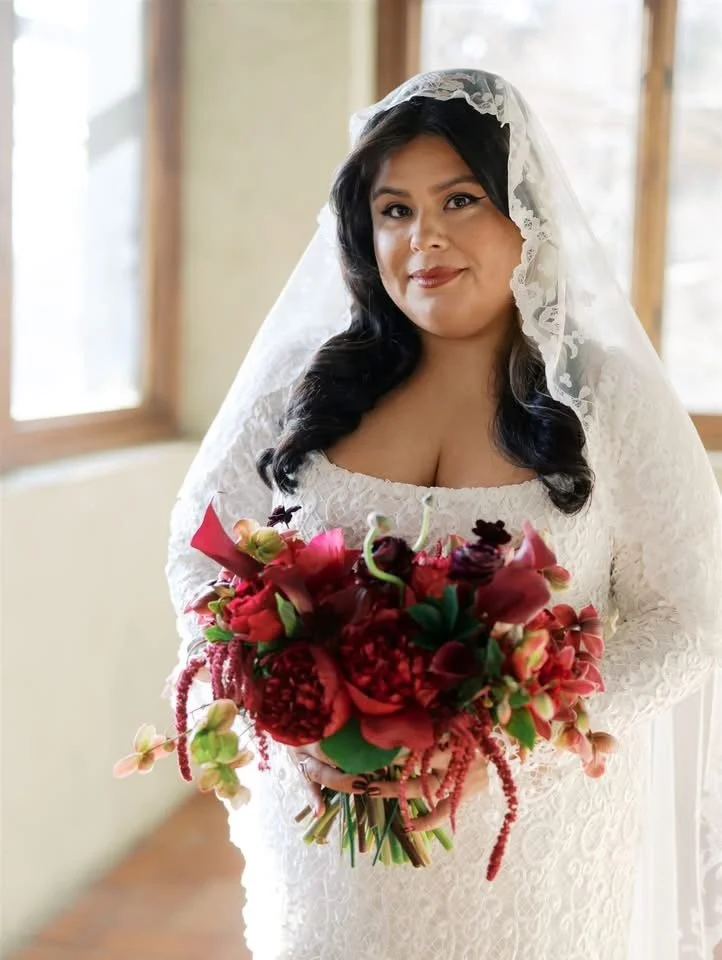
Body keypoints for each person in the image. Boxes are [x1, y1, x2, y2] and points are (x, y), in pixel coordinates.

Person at [165, 70, 722, 960]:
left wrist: (504, 736)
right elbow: (203, 557)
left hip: (532, 854)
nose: (423, 238)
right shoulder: (302, 389)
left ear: (524, 213)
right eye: (394, 210)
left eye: (459, 200)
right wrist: (279, 701)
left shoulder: (605, 399)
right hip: (329, 852)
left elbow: (688, 618)